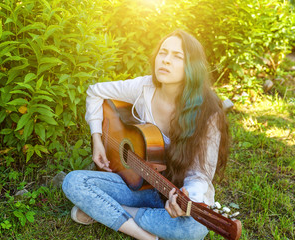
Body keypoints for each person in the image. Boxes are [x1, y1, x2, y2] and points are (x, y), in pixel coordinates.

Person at [62, 29, 229, 240]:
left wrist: (187, 199)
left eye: (177, 56)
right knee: (73, 181)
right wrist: (97, 140)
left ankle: (110, 211)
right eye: (163, 52)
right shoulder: (143, 88)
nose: (166, 61)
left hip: (173, 193)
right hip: (137, 183)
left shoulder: (208, 112)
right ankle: (144, 235)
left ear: (192, 67)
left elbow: (199, 175)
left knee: (194, 229)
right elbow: (95, 92)